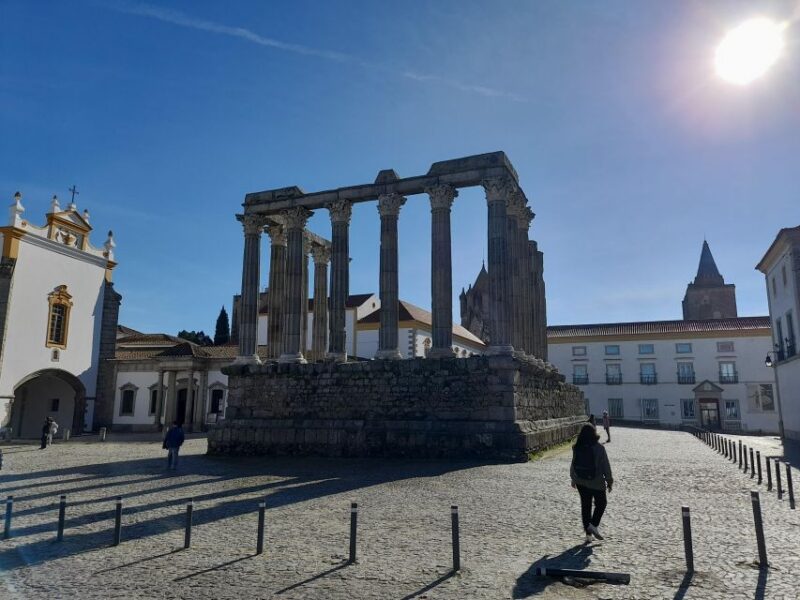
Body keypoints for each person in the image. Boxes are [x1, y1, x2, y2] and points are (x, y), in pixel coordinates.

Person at [570, 424, 613, 543]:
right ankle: (593, 525)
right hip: (596, 482)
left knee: (586, 506)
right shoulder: (599, 448)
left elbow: (574, 464)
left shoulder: (577, 447)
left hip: (581, 481)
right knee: (602, 503)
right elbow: (605, 466)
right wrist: (609, 480)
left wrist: (573, 478)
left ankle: (588, 535)